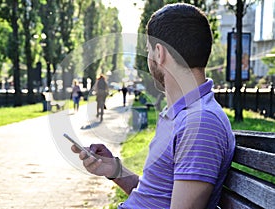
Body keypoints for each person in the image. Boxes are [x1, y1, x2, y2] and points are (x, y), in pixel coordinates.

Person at [71, 3, 235, 209]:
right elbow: (156, 196)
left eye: (148, 50)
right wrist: (114, 169)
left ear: (159, 53)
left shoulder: (201, 124)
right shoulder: (183, 115)